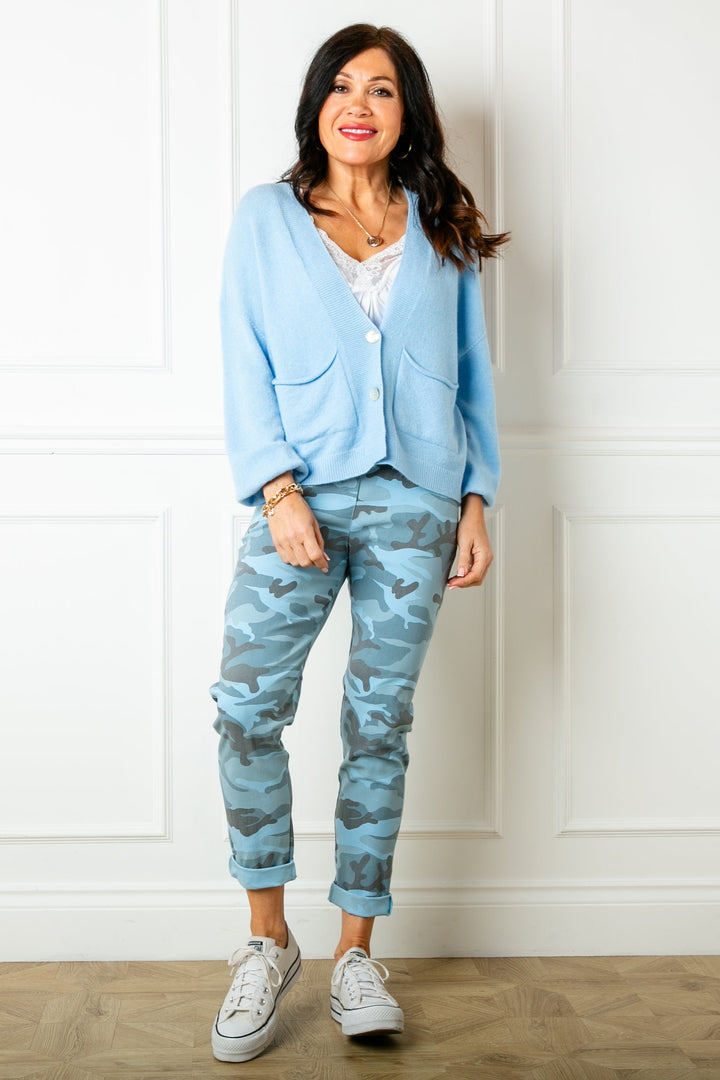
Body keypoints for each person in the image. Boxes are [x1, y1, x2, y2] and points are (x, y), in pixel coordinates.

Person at [209, 23, 508, 1063]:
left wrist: (477, 499)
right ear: (317, 105)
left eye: (381, 89)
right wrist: (276, 489)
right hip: (299, 499)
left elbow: (472, 374)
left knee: (378, 726)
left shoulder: (440, 223)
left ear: (405, 110)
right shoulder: (268, 217)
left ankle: (355, 955)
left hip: (420, 505)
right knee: (247, 707)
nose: (359, 104)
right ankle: (267, 942)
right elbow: (241, 357)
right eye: (342, 86)